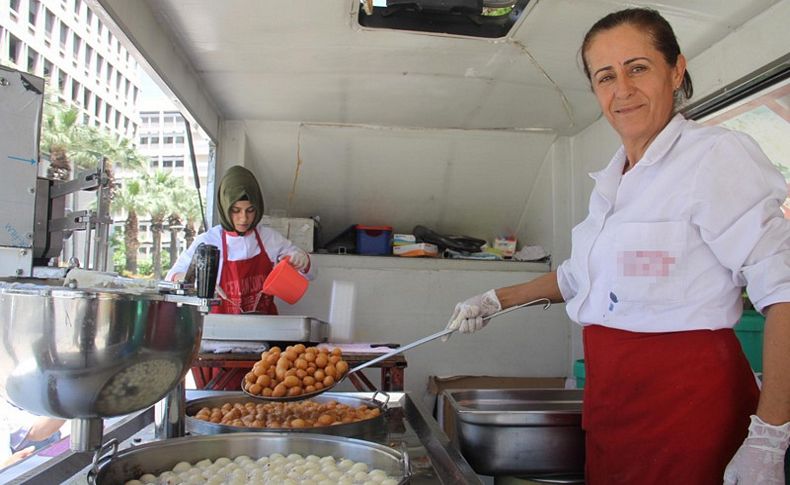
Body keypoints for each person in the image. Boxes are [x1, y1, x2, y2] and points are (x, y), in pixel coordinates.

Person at [444, 8, 789, 485]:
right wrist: (495, 300)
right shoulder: (613, 179)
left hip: (688, 409)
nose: (622, 89)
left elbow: (784, 291)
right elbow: (579, 276)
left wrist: (769, 439)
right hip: (612, 405)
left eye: (638, 67)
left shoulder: (714, 157)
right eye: (606, 77)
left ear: (676, 70)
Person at [167, 165, 315, 389]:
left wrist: (302, 261)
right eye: (236, 210)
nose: (244, 218)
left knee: (263, 399)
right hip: (220, 345)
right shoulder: (209, 240)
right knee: (219, 404)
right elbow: (173, 278)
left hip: (265, 346)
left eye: (250, 210)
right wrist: (197, 283)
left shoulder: (269, 239)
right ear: (225, 208)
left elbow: (312, 274)